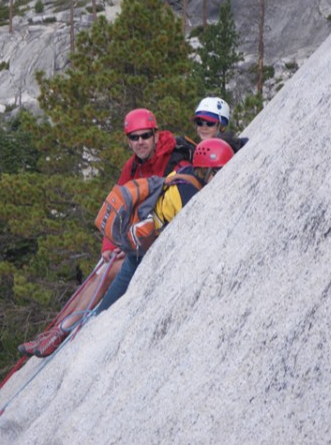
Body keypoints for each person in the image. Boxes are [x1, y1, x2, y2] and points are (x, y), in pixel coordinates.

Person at [18, 108, 192, 358]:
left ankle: (62, 332)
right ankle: (55, 330)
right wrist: (109, 250)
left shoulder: (174, 160)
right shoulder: (132, 167)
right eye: (134, 137)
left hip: (158, 236)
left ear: (155, 134)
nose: (140, 142)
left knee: (109, 272)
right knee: (100, 270)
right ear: (128, 139)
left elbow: (174, 202)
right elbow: (116, 209)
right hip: (138, 237)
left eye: (145, 136)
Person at [95, 137, 235, 313]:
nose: (224, 176)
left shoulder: (186, 172)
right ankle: (94, 317)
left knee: (112, 295)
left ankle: (94, 316)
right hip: (145, 247)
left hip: (143, 238)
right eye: (219, 171)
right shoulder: (189, 193)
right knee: (111, 298)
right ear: (206, 170)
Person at [178, 96, 248, 153]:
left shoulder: (225, 149)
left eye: (210, 123)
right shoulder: (200, 149)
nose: (204, 127)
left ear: (222, 126)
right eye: (199, 123)